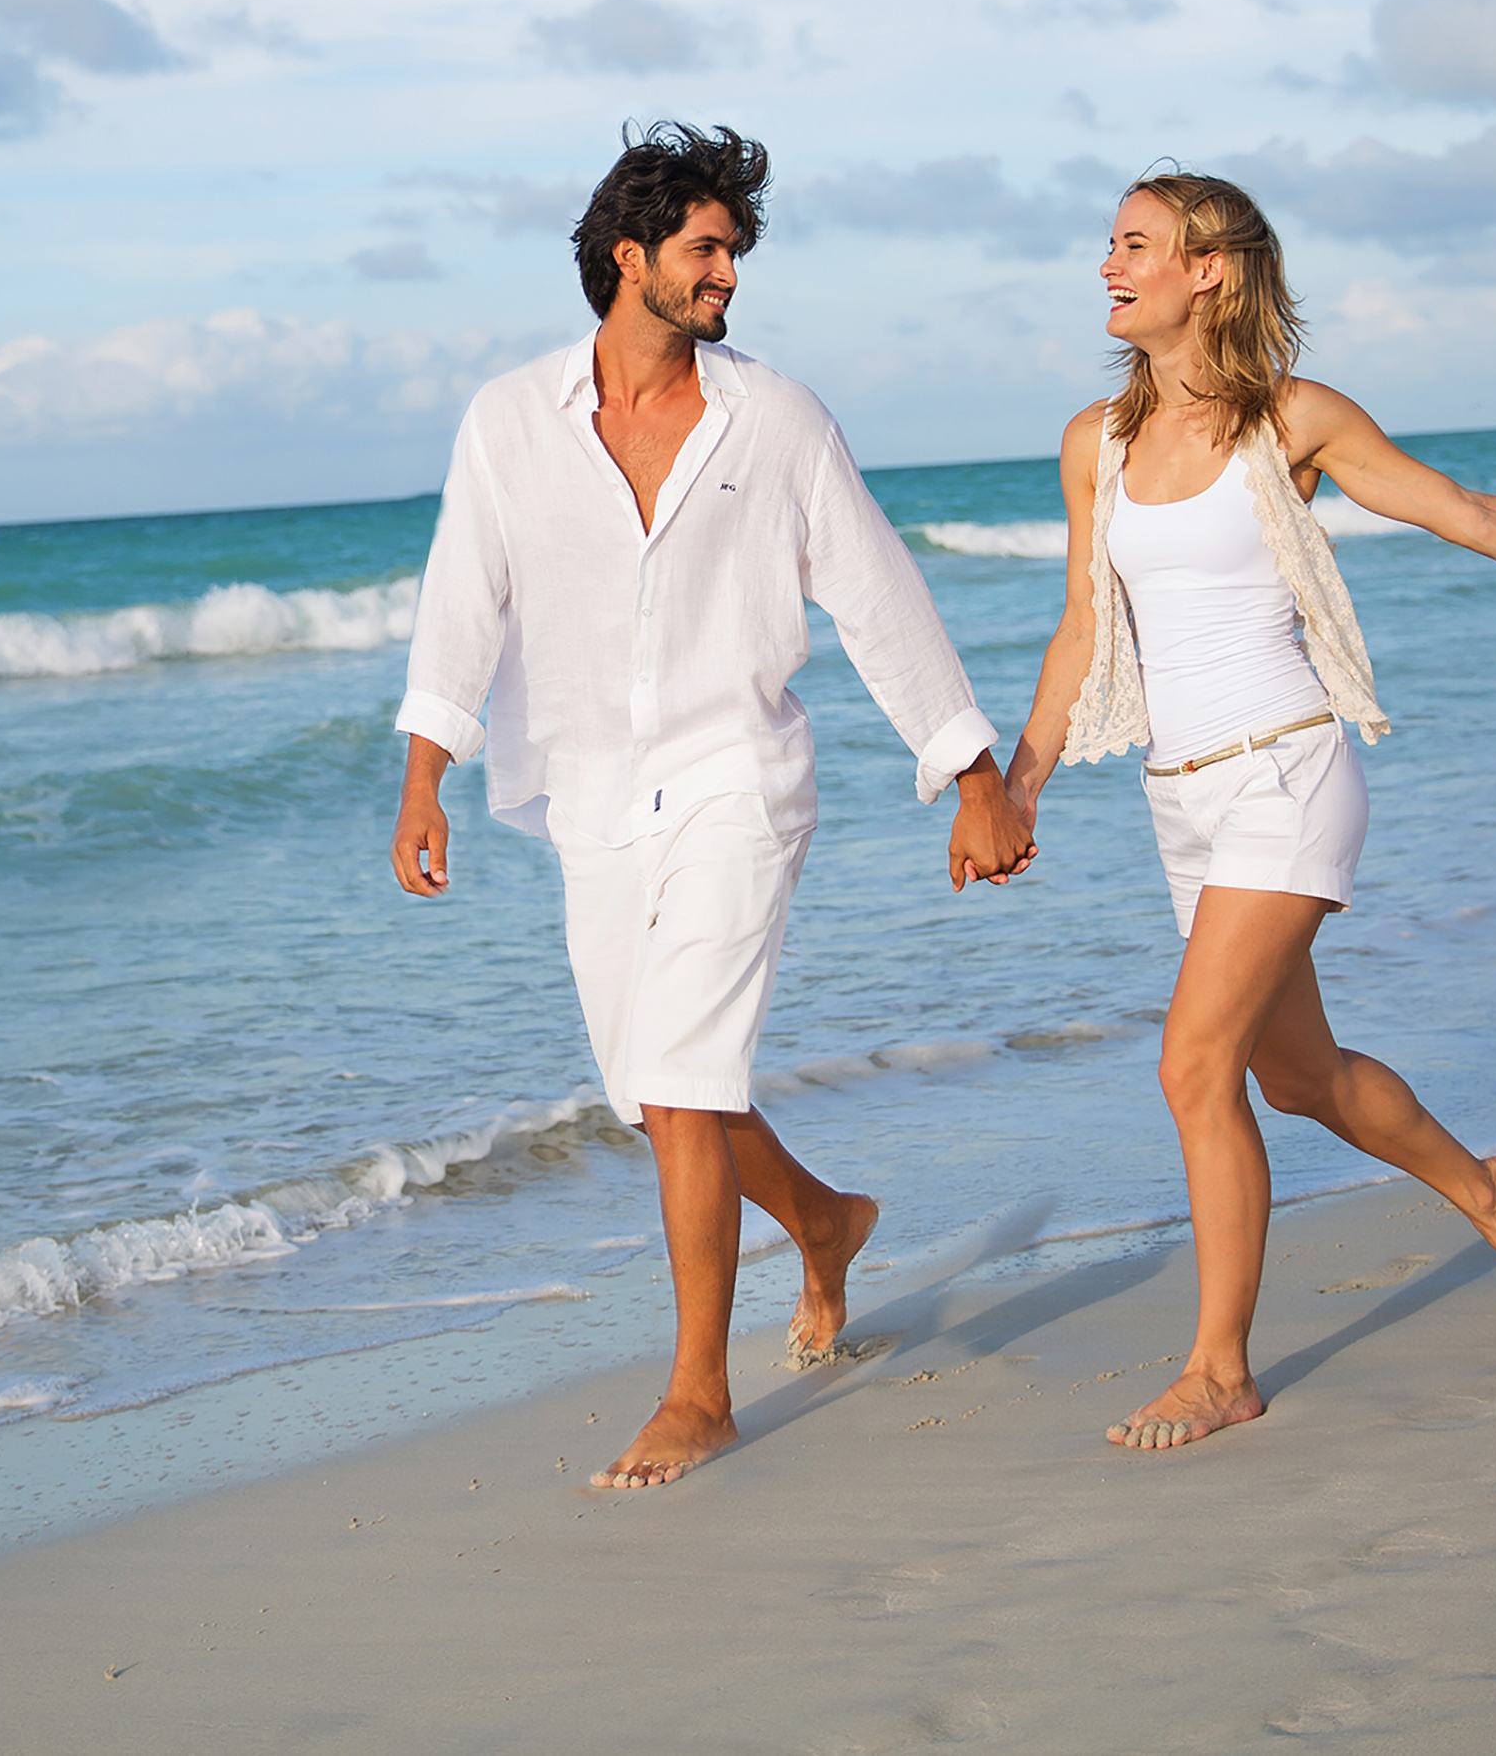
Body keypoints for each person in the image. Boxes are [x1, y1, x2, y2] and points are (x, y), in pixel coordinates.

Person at [998, 170, 1496, 1452]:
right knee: (1300, 1077)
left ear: (1209, 267)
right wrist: (1022, 775)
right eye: (1110, 243)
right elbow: (1084, 625)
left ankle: (1220, 1366)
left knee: (1192, 1064)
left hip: (1288, 770)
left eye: (1138, 244)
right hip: (1182, 799)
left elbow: (1465, 510)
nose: (1110, 264)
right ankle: (1488, 1187)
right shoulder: (1092, 442)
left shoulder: (1294, 419)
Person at [389, 122, 1034, 1490]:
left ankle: (698, 1389)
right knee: (655, 1093)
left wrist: (967, 766)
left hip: (740, 775)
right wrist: (424, 775)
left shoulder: (776, 418)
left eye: (733, 249)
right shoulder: (508, 420)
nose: (725, 272)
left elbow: (874, 592)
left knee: (683, 1078)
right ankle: (821, 1218)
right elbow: (461, 595)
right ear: (625, 258)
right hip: (590, 794)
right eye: (702, 247)